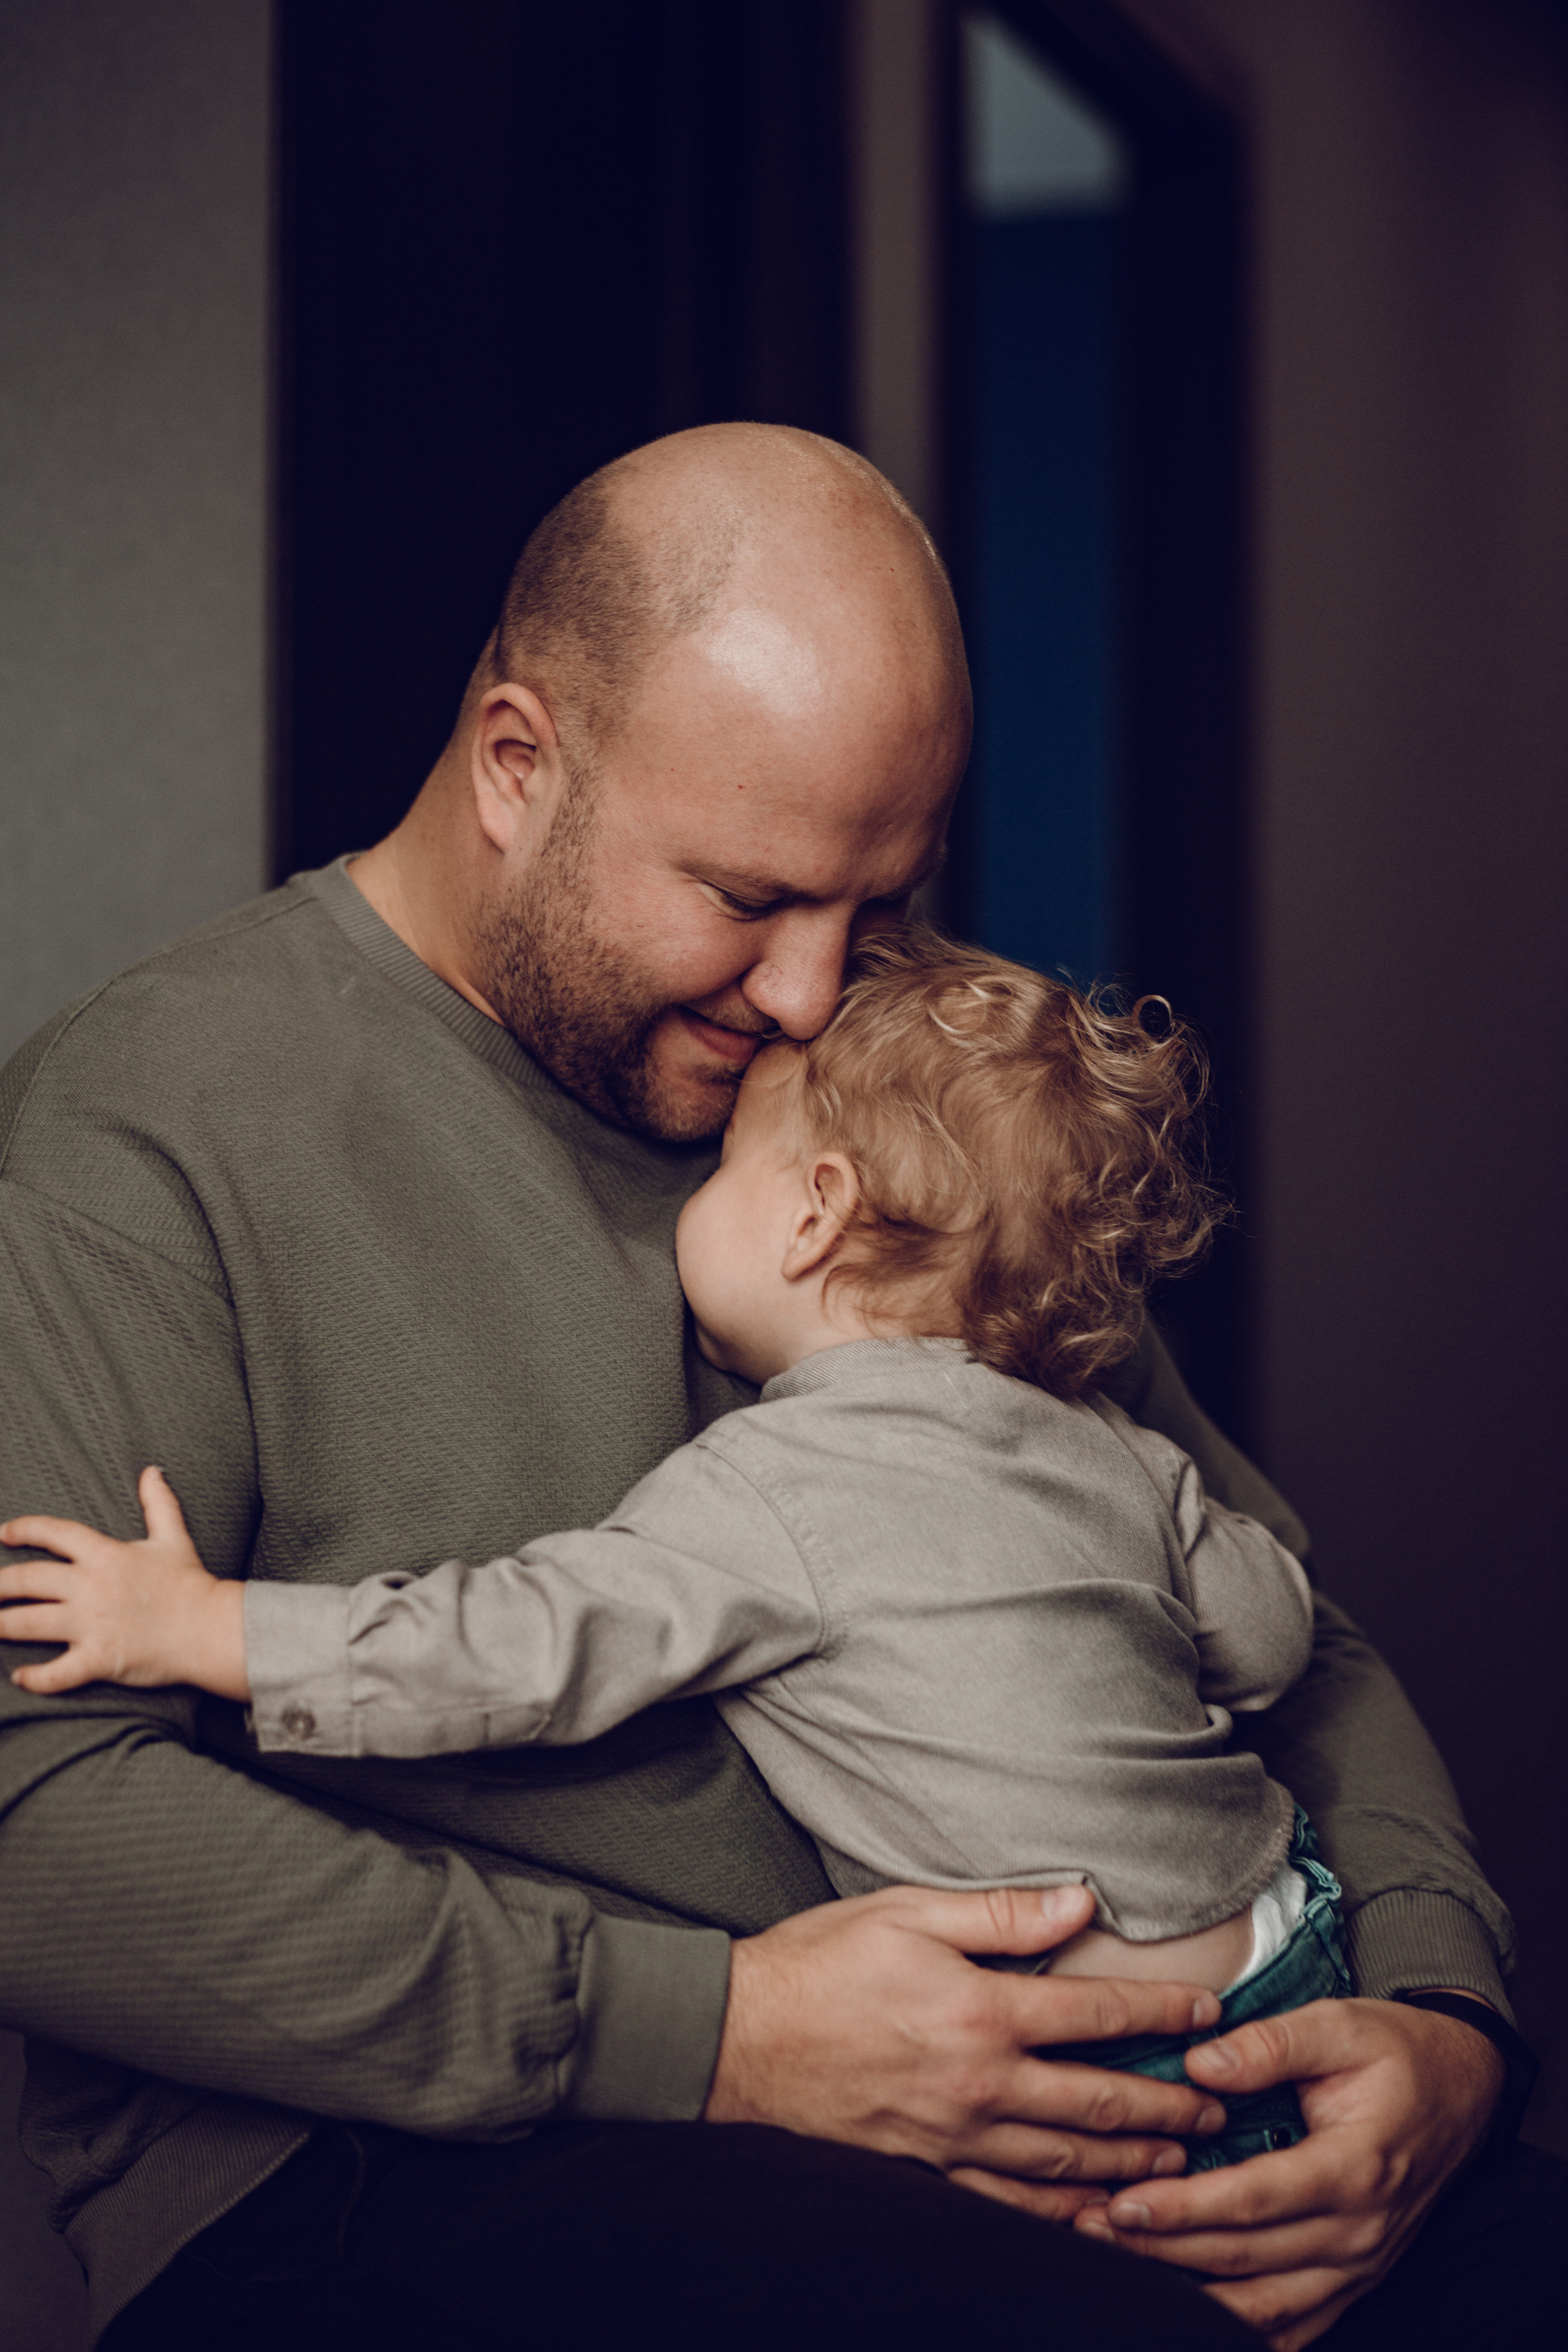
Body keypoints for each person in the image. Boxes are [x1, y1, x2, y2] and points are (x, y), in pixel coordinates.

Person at [0, 424, 1545, 2351]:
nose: (815, 997)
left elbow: (1285, 1637)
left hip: (1138, 2081)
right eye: (746, 896)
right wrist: (722, 2038)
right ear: (517, 763)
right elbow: (39, 1827)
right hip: (414, 2167)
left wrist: (1434, 2017)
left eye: (879, 901)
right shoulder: (148, 1123)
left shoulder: (908, 1094)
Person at [0, 934, 1351, 2174]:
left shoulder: (771, 1487)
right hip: (1286, 1948)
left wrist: (205, 1629)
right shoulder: (1106, 1440)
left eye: (722, 1173)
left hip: (1084, 2043)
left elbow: (517, 1648)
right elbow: (1271, 1628)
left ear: (812, 1213)